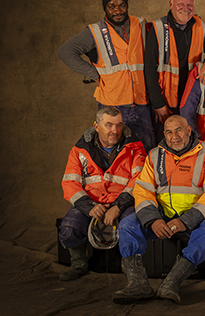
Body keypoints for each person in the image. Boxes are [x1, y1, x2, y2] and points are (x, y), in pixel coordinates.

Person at [113, 115, 205, 304]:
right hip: (162, 215)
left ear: (189, 131)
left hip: (195, 217)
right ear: (164, 134)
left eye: (179, 130)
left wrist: (186, 221)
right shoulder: (155, 155)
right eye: (169, 132)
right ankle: (138, 285)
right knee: (126, 225)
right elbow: (143, 191)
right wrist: (153, 220)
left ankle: (171, 283)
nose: (175, 136)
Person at [58, 0, 155, 151]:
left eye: (122, 5)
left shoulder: (140, 23)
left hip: (141, 104)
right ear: (105, 8)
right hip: (112, 107)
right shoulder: (94, 32)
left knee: (147, 153)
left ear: (127, 5)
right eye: (112, 7)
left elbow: (159, 35)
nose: (118, 11)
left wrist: (182, 19)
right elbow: (66, 51)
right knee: (113, 156)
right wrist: (93, 74)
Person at [59, 106, 146, 281]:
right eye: (109, 125)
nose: (115, 130)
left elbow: (140, 181)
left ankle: (129, 265)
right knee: (69, 229)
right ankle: (79, 263)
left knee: (131, 227)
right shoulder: (79, 151)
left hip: (124, 202)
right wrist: (90, 207)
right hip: (91, 203)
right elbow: (70, 183)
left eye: (119, 125)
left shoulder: (135, 148)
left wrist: (117, 207)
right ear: (96, 126)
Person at [145, 0, 205, 136]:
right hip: (165, 101)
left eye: (190, 5)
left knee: (190, 141)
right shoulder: (157, 28)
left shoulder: (199, 25)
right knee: (167, 142)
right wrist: (158, 104)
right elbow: (149, 69)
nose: (186, 9)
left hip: (190, 101)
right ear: (171, 4)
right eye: (181, 4)